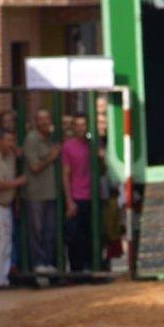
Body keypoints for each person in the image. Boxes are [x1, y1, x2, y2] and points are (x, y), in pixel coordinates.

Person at [0, 129, 27, 288]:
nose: (11, 144)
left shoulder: (10, 157)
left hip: (6, 205)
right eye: (8, 140)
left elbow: (21, 154)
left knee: (6, 242)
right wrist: (19, 182)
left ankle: (2, 278)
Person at [23, 108, 62, 274]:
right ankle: (38, 263)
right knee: (37, 230)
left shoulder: (50, 139)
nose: (45, 122)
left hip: (50, 192)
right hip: (36, 193)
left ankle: (48, 262)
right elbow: (34, 167)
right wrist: (51, 157)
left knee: (50, 229)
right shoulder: (32, 139)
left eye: (47, 118)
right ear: (36, 122)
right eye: (41, 119)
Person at [62, 112, 95, 272]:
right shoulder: (68, 146)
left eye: (84, 125)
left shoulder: (93, 145)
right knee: (74, 236)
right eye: (78, 125)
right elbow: (65, 174)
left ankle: (91, 267)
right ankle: (76, 270)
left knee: (91, 234)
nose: (81, 128)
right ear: (73, 127)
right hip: (76, 197)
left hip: (92, 197)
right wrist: (69, 201)